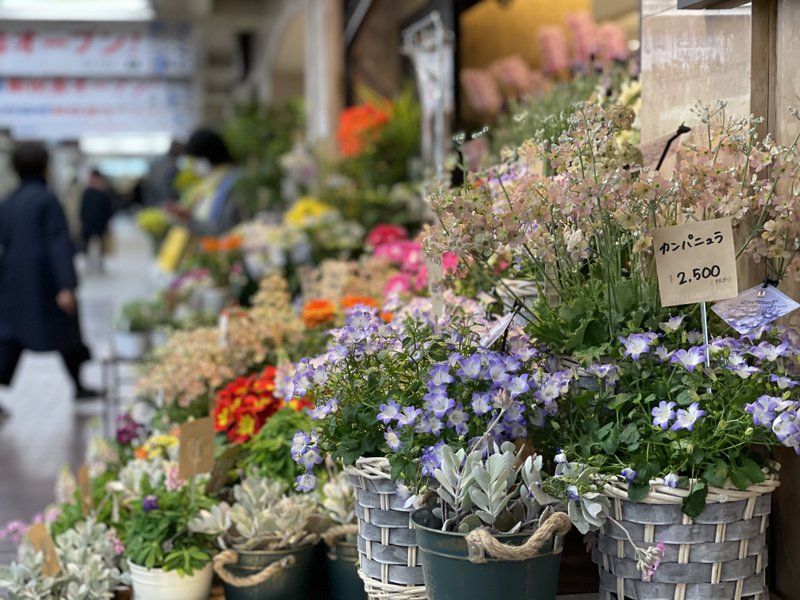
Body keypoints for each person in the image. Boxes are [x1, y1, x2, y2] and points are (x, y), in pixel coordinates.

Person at [0, 142, 99, 417]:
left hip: (13, 284)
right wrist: (66, 285)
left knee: (9, 341)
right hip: (46, 283)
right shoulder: (47, 199)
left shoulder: (7, 201)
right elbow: (58, 243)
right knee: (66, 334)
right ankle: (78, 385)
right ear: (45, 167)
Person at [165, 129, 241, 236]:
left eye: (196, 160)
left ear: (207, 157)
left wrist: (190, 221)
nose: (194, 165)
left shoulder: (231, 183)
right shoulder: (209, 183)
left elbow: (223, 228)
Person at [80, 169, 114, 275]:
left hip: (97, 222)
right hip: (92, 222)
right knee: (89, 245)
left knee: (98, 245)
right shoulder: (92, 192)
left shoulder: (99, 192)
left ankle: (98, 265)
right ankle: (92, 265)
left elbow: (108, 209)